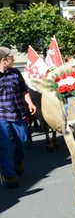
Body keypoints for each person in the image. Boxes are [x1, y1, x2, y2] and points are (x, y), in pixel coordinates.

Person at [0, 47, 37, 188]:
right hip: (1, 115)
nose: (14, 59)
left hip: (18, 113)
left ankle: (19, 161)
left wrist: (30, 103)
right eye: (11, 57)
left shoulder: (15, 73)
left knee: (22, 142)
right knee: (4, 145)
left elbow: (24, 90)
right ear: (4, 60)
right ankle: (9, 174)